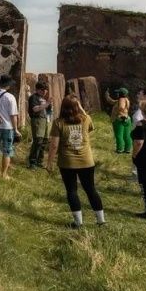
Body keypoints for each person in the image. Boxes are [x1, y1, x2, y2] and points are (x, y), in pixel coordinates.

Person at [46, 94, 104, 228]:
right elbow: (91, 128)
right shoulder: (86, 119)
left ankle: (78, 222)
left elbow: (54, 145)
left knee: (72, 191)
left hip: (67, 162)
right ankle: (101, 220)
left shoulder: (58, 122)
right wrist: (80, 108)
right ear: (78, 107)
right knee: (91, 189)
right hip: (86, 161)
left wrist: (49, 163)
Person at [26, 80, 53, 169]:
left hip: (45, 121)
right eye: (44, 90)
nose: (45, 92)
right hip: (37, 120)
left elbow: (47, 111)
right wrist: (47, 103)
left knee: (44, 142)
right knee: (38, 141)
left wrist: (49, 106)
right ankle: (32, 162)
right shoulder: (34, 97)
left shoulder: (43, 99)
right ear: (39, 89)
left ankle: (39, 161)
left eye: (46, 90)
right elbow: (35, 109)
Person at [104, 87, 133, 154]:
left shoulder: (121, 100)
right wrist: (107, 95)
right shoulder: (126, 100)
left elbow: (121, 107)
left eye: (118, 93)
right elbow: (111, 101)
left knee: (119, 135)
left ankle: (120, 149)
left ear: (121, 94)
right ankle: (128, 149)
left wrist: (121, 114)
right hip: (127, 119)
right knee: (127, 135)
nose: (117, 94)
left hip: (119, 120)